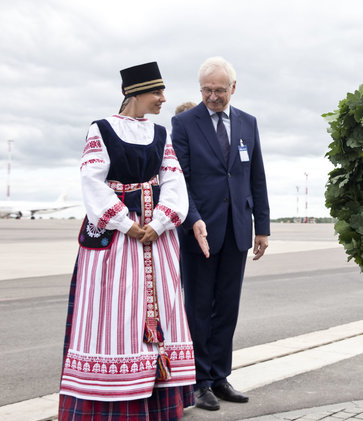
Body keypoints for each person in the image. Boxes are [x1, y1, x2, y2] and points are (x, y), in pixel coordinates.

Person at [58, 62, 196, 420]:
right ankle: (108, 397)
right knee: (114, 311)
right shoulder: (102, 129)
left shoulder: (160, 133)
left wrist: (163, 220)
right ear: (134, 94)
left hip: (156, 237)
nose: (163, 98)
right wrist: (124, 223)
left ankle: (156, 400)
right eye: (157, 92)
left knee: (159, 311)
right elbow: (92, 180)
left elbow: (174, 181)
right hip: (117, 240)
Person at [171, 56, 270, 411]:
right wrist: (193, 219)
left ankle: (220, 376)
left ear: (233, 88)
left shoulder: (248, 123)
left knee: (227, 307)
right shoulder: (183, 123)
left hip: (238, 230)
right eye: (207, 90)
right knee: (198, 307)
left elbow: (255, 176)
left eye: (219, 90)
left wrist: (263, 227)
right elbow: (178, 180)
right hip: (199, 231)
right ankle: (199, 382)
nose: (213, 97)